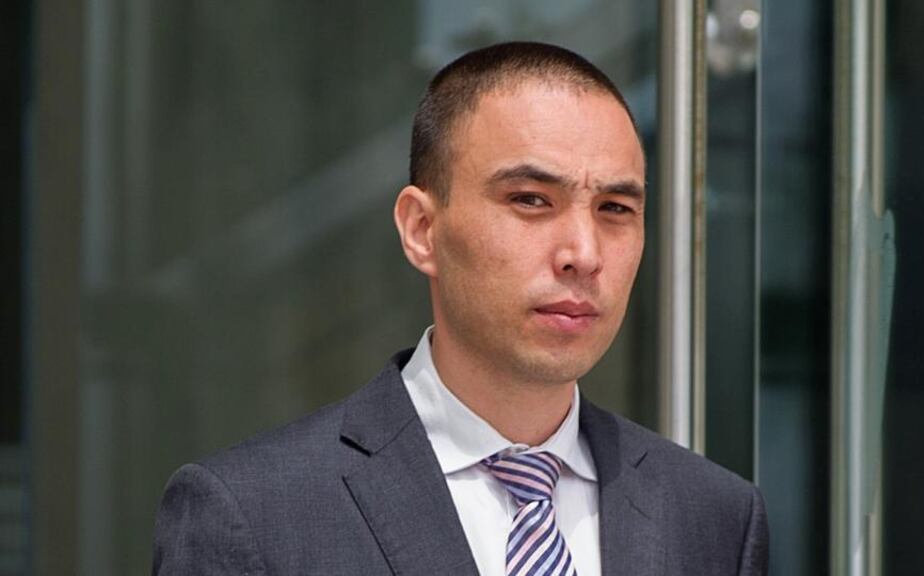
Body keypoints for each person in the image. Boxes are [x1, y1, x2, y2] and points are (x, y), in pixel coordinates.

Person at [152, 41, 768, 576]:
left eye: (615, 209)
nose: (583, 253)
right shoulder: (253, 515)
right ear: (422, 229)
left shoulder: (713, 517)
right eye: (530, 200)